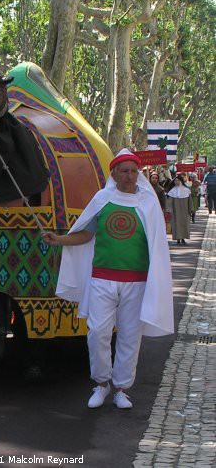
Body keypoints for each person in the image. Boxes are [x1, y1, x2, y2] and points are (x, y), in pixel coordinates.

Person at [42, 149, 173, 410]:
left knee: (130, 335)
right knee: (98, 332)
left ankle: (122, 388)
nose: (129, 175)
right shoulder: (102, 198)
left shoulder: (148, 203)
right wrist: (59, 239)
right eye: (124, 171)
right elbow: (85, 234)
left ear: (139, 173)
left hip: (137, 280)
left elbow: (157, 245)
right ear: (113, 173)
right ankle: (101, 383)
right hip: (102, 278)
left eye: (134, 171)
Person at [167, 175, 192, 245]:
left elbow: (190, 201)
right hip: (175, 211)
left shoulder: (187, 191)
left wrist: (191, 209)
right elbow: (169, 202)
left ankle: (183, 238)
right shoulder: (172, 191)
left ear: (181, 181)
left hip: (185, 210)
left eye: (178, 180)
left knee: (184, 224)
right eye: (175, 180)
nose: (176, 182)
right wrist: (169, 210)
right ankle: (178, 239)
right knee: (176, 224)